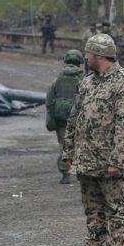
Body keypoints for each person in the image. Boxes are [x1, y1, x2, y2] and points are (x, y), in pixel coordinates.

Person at [63, 33, 124, 246]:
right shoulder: (88, 82)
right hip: (86, 160)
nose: (84, 57)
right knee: (93, 209)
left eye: (87, 53)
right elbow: (75, 117)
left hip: (109, 162)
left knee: (115, 209)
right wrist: (68, 151)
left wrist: (118, 160)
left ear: (98, 56)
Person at [46, 49, 84, 184]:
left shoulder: (57, 79)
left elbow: (49, 100)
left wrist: (53, 114)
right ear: (80, 62)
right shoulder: (84, 79)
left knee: (64, 145)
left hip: (61, 118)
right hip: (79, 117)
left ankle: (65, 174)